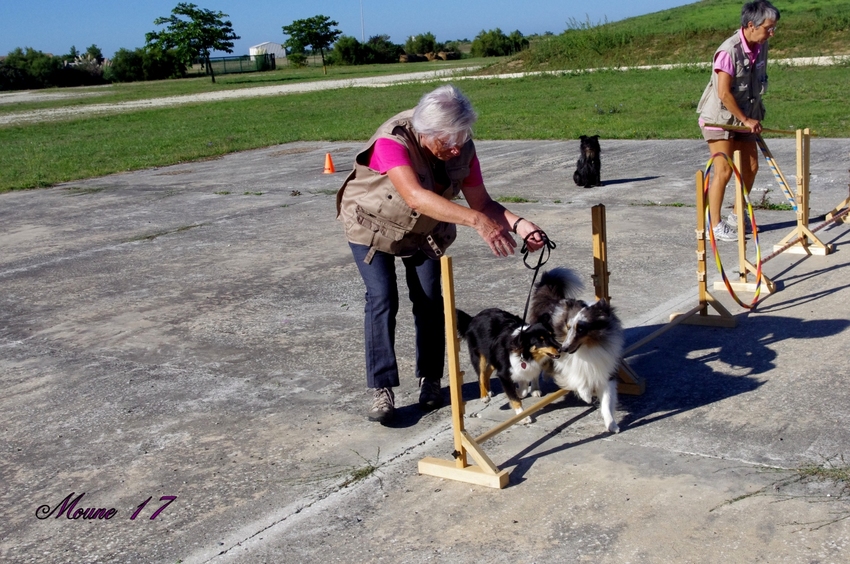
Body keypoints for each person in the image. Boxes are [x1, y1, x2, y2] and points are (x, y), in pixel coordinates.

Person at [336, 84, 547, 425]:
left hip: (424, 232)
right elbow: (416, 197)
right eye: (446, 142)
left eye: (460, 140)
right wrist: (476, 222)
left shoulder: (461, 147)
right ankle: (382, 388)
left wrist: (519, 224)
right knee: (382, 298)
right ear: (424, 132)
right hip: (371, 226)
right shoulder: (392, 142)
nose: (454, 149)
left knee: (431, 300)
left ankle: (430, 379)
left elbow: (483, 204)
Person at [697, 0, 781, 242]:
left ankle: (737, 214)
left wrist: (750, 117)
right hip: (720, 119)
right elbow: (723, 93)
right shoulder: (728, 51)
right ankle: (715, 225)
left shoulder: (761, 44)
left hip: (746, 117)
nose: (771, 33)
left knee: (751, 167)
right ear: (751, 25)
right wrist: (745, 119)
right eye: (769, 28)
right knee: (722, 170)